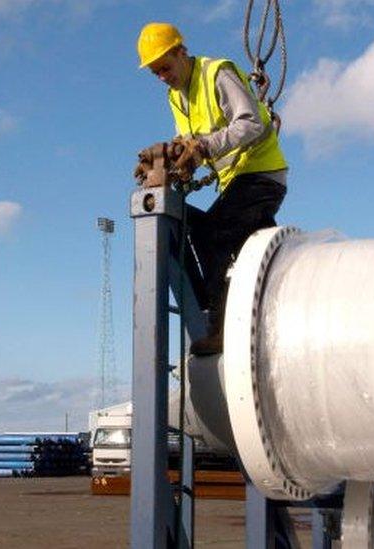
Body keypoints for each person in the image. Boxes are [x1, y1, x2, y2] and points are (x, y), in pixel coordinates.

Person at [136, 22, 288, 356]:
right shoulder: (176, 96)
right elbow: (190, 140)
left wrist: (204, 148)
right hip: (236, 181)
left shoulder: (216, 74)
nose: (162, 75)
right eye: (155, 72)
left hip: (261, 175)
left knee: (213, 234)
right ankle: (217, 303)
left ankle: (219, 325)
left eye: (165, 66)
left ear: (181, 51)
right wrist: (175, 160)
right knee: (187, 223)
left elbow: (251, 122)